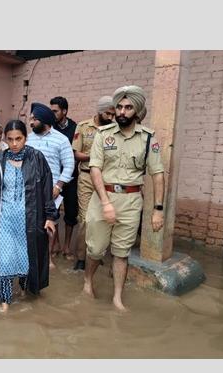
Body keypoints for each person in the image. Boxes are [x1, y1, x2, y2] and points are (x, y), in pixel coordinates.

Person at [83, 85, 165, 311]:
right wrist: (106, 203)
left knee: (121, 252)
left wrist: (158, 209)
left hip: (131, 201)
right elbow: (95, 169)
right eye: (119, 107)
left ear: (136, 111)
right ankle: (88, 281)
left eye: (128, 107)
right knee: (96, 249)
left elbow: (158, 174)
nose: (122, 111)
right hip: (103, 197)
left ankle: (117, 298)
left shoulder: (148, 139)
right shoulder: (103, 135)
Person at [0, 120, 57, 312]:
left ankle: (24, 291)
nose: (14, 144)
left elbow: (46, 189)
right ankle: (5, 302)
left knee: (26, 257)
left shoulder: (36, 158)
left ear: (26, 137)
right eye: (10, 139)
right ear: (5, 139)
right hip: (4, 219)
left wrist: (50, 216)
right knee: (4, 261)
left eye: (18, 139)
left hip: (28, 219)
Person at [26, 102, 75, 269]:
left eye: (34, 119)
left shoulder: (61, 139)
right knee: (31, 223)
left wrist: (58, 186)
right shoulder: (29, 138)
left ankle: (47, 258)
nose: (31, 122)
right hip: (30, 189)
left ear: (44, 120)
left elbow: (69, 165)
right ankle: (31, 257)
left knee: (50, 223)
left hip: (51, 190)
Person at [71, 96, 115, 271]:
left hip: (106, 179)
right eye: (108, 113)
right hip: (87, 178)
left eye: (113, 114)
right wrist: (95, 156)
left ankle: (95, 255)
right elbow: (76, 153)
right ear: (99, 111)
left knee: (102, 219)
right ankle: (81, 257)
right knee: (85, 220)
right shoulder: (83, 127)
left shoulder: (114, 129)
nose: (111, 117)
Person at [50, 96, 78, 261]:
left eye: (55, 111)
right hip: (54, 179)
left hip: (71, 178)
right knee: (53, 211)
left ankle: (67, 246)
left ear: (64, 111)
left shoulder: (75, 128)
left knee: (71, 212)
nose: (52, 114)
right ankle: (56, 244)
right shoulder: (50, 128)